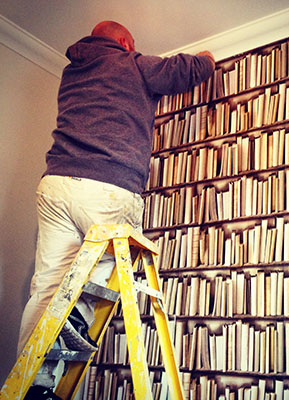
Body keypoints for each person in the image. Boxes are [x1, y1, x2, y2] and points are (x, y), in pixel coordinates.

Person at [19, 20, 215, 398]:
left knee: (47, 286)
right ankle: (66, 344)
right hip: (107, 185)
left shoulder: (72, 73)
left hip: (55, 184)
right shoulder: (133, 63)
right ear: (125, 42)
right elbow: (185, 70)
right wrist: (207, 57)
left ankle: (32, 384)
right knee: (96, 277)